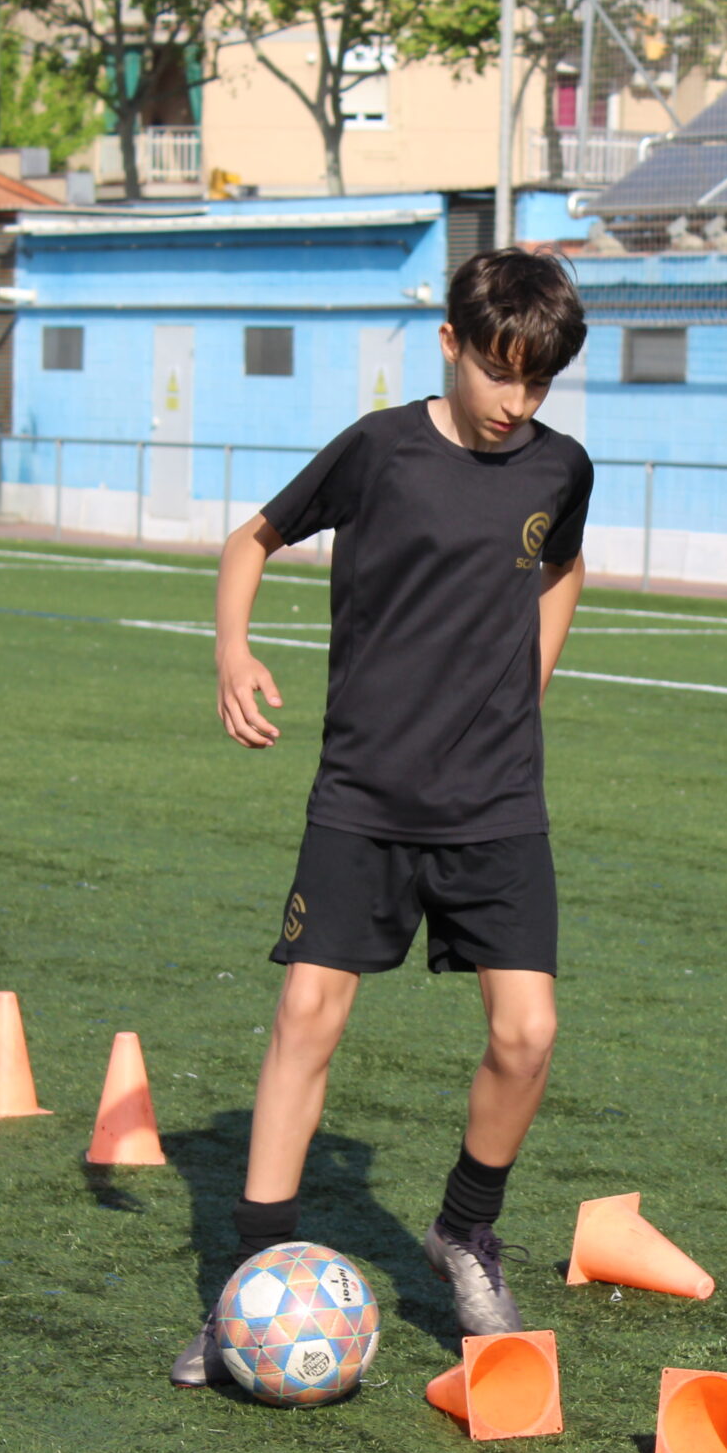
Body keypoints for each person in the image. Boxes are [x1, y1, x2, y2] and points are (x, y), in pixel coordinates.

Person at [173, 248, 593, 1387]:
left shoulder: (561, 466)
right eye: (503, 375)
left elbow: (562, 568)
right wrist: (231, 647)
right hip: (365, 793)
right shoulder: (377, 449)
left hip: (498, 799)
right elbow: (249, 539)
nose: (519, 404)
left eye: (541, 383)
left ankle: (464, 1230)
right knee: (307, 1014)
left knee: (528, 1033)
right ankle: (246, 1287)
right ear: (450, 346)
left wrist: (532, 682)